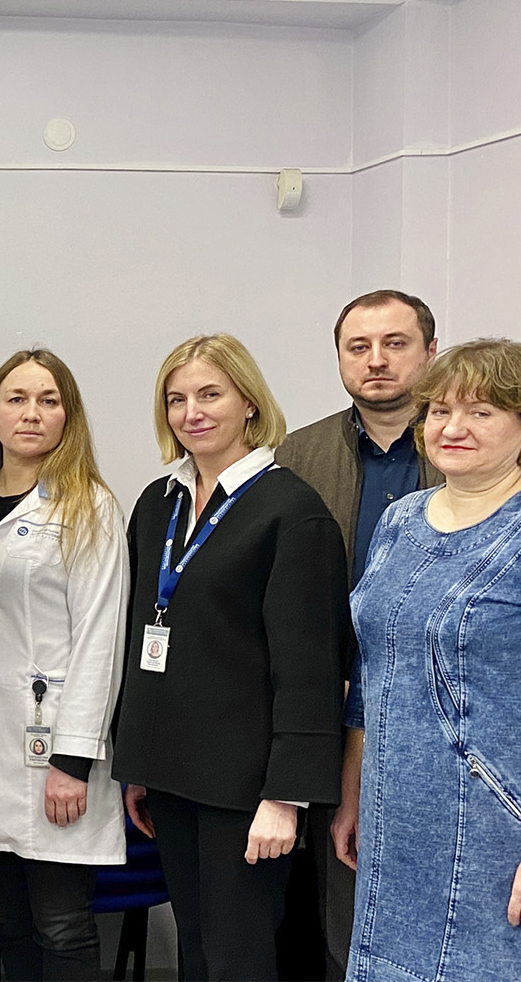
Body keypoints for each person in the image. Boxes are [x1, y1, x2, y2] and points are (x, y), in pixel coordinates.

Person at [111, 333, 349, 980]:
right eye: (176, 399)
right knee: (196, 952)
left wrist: (286, 797)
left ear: (249, 402)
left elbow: (310, 671)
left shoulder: (291, 511)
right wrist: (139, 765)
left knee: (237, 959)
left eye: (210, 394)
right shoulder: (158, 502)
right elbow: (142, 637)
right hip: (170, 774)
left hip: (247, 787)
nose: (192, 412)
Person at [341, 338, 521, 980]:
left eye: (481, 412)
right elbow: (374, 668)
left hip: (505, 833)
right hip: (395, 825)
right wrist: (353, 793)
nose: (452, 427)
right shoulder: (400, 521)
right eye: (440, 410)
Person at [273, 289, 441, 980]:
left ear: (430, 351)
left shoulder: (465, 444)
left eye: (395, 344)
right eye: (358, 347)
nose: (376, 361)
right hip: (329, 703)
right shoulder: (300, 453)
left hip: (439, 706)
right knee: (337, 892)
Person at [0, 350, 129, 981]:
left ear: (67, 416)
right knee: (8, 923)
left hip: (53, 746)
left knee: (62, 924)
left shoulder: (89, 506)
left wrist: (72, 760)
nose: (31, 413)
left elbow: (101, 638)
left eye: (48, 401)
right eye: (17, 399)